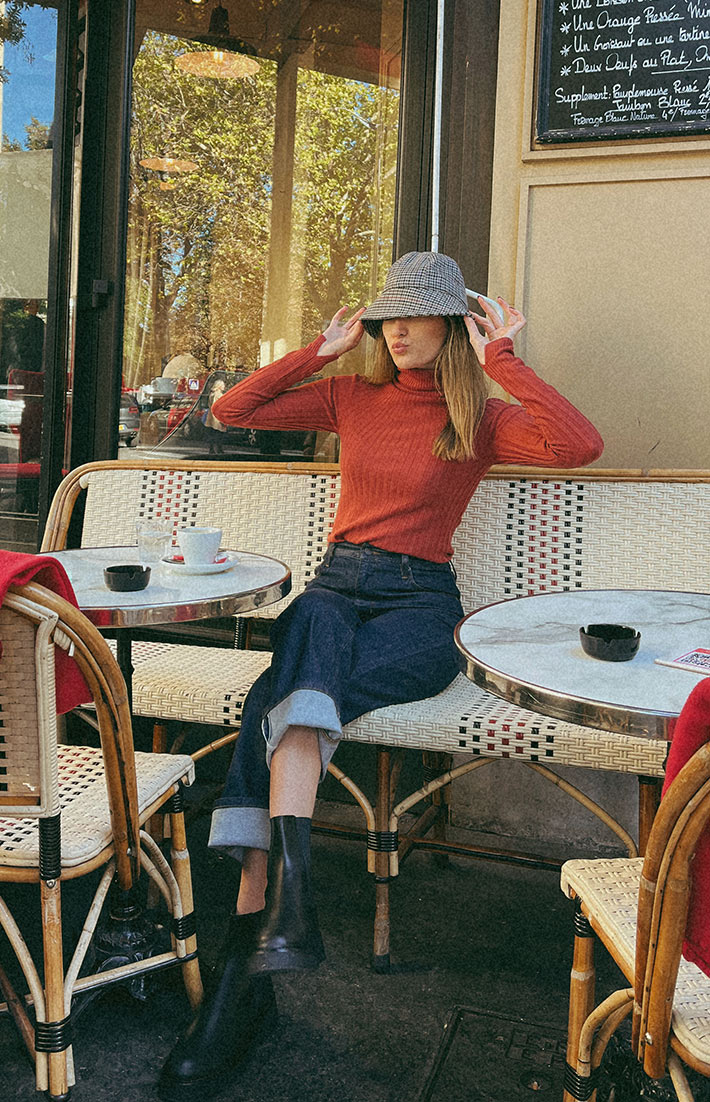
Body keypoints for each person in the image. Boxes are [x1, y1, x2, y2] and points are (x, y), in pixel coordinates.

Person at [158, 252, 604, 1100]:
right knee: (314, 626)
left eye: (416, 315)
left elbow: (578, 445)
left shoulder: (478, 416)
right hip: (336, 586)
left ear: (451, 326)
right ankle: (274, 922)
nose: (396, 331)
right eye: (386, 317)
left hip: (420, 608)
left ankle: (248, 962)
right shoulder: (349, 395)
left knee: (278, 696)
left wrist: (503, 357)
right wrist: (318, 352)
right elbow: (232, 408)